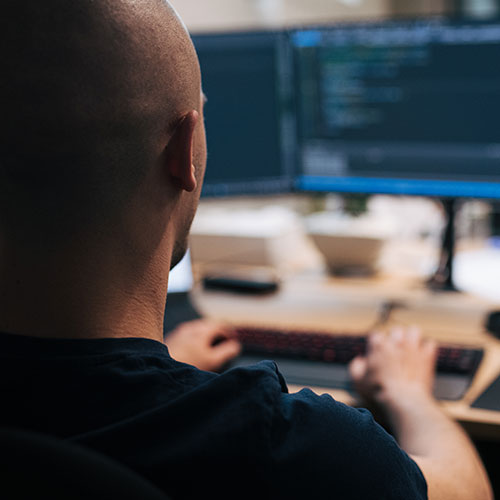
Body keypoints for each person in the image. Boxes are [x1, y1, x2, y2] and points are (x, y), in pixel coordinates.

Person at [0, 1, 492, 499]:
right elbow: (470, 491)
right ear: (184, 152)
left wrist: (166, 358)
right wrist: (410, 395)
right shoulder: (289, 450)